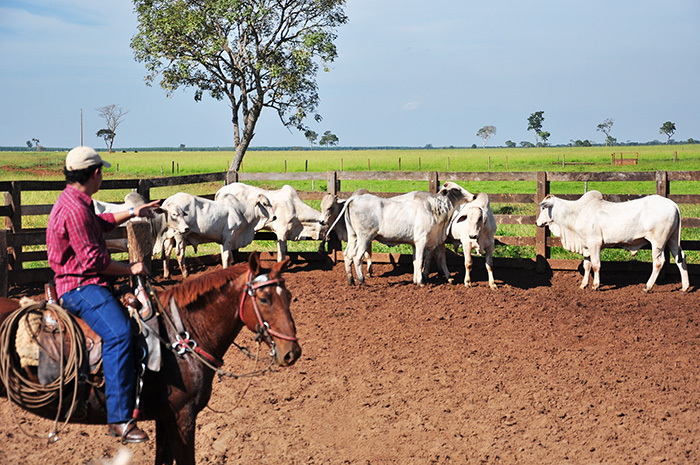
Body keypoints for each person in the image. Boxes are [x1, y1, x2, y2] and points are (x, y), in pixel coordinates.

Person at [46, 146, 160, 443]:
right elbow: (96, 262)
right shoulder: (75, 209)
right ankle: (120, 419)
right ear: (95, 174)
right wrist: (132, 268)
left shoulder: (75, 201)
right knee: (120, 333)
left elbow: (101, 222)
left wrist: (134, 211)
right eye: (102, 172)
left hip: (82, 281)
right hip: (79, 287)